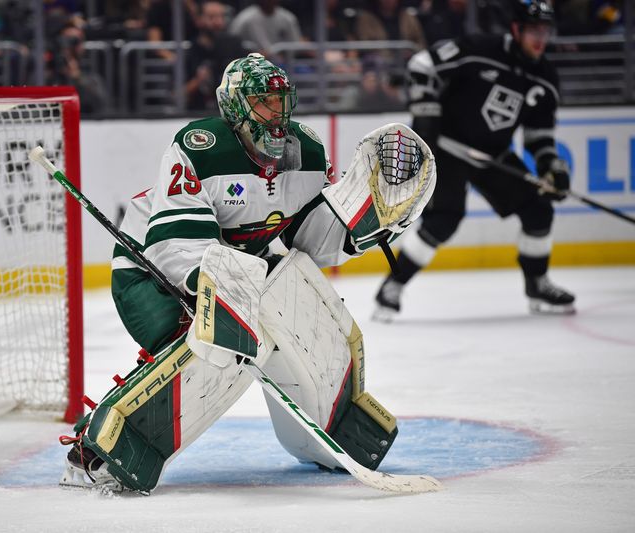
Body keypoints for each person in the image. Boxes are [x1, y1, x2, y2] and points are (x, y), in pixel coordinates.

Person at [58, 53, 432, 494]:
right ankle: (98, 448)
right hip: (150, 268)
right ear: (235, 107)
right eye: (262, 103)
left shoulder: (307, 154)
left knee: (297, 307)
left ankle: (333, 429)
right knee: (208, 341)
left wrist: (362, 222)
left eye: (281, 101)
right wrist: (212, 288)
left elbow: (306, 240)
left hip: (238, 269)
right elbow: (177, 244)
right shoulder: (198, 148)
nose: (276, 114)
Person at [374, 0, 575, 321]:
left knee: (539, 209)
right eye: (534, 30)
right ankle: (392, 286)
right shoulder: (480, 48)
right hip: (447, 147)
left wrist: (552, 167)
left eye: (545, 31)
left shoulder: (545, 78)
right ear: (516, 29)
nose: (541, 38)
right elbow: (422, 64)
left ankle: (537, 283)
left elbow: (539, 137)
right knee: (444, 220)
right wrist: (426, 111)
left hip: (492, 155)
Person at [185, 0, 246, 111]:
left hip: (232, 112)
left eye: (221, 16)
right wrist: (198, 81)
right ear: (199, 20)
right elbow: (178, 94)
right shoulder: (192, 51)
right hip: (198, 113)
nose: (218, 22)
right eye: (212, 17)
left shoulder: (235, 45)